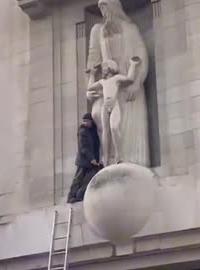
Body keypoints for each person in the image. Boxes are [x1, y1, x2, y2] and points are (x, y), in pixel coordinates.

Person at [86, 0, 151, 167]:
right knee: (101, 118)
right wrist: (90, 90)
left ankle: (134, 163)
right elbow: (93, 67)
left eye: (105, 7)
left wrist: (137, 83)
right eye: (100, 9)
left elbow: (141, 58)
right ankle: (109, 162)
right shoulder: (99, 32)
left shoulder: (130, 29)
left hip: (128, 88)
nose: (103, 12)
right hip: (109, 91)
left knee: (122, 126)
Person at [87, 57, 141, 166]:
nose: (103, 70)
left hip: (114, 104)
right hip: (105, 105)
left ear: (110, 68)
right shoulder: (102, 82)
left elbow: (130, 79)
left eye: (104, 67)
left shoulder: (116, 79)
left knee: (114, 127)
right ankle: (105, 158)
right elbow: (90, 88)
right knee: (105, 132)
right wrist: (92, 74)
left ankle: (119, 155)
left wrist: (133, 65)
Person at [67, 113, 102, 203]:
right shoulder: (83, 131)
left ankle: (80, 195)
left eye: (87, 121)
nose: (85, 123)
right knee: (78, 179)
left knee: (89, 179)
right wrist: (92, 159)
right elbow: (83, 147)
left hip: (92, 161)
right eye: (84, 121)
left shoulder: (92, 131)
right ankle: (71, 196)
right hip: (84, 161)